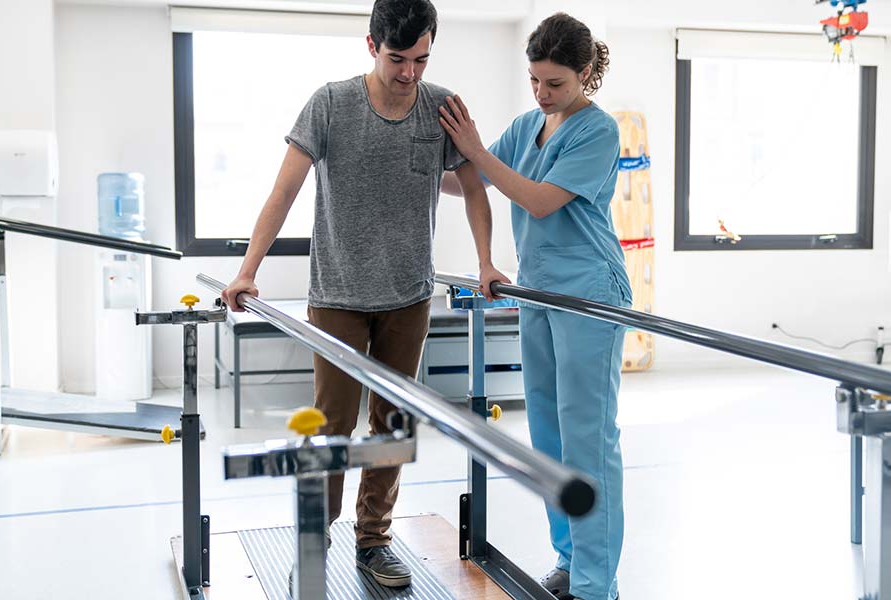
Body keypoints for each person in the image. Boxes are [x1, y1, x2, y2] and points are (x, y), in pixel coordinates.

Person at [218, 0, 508, 588]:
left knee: (393, 424)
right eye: (398, 59)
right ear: (371, 45)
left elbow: (474, 189)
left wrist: (485, 262)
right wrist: (248, 269)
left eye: (421, 59)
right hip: (338, 296)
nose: (410, 73)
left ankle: (374, 538)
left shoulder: (442, 107)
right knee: (332, 423)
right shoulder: (331, 104)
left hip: (409, 296)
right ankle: (317, 526)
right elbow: (284, 191)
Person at [435, 12, 628, 600]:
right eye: (535, 81)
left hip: (589, 294)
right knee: (546, 436)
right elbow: (466, 178)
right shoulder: (526, 127)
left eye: (556, 84)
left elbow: (540, 202)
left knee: (587, 442)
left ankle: (596, 587)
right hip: (537, 292)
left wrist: (475, 154)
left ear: (585, 73)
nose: (543, 94)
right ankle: (569, 563)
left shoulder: (598, 131)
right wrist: (413, 158)